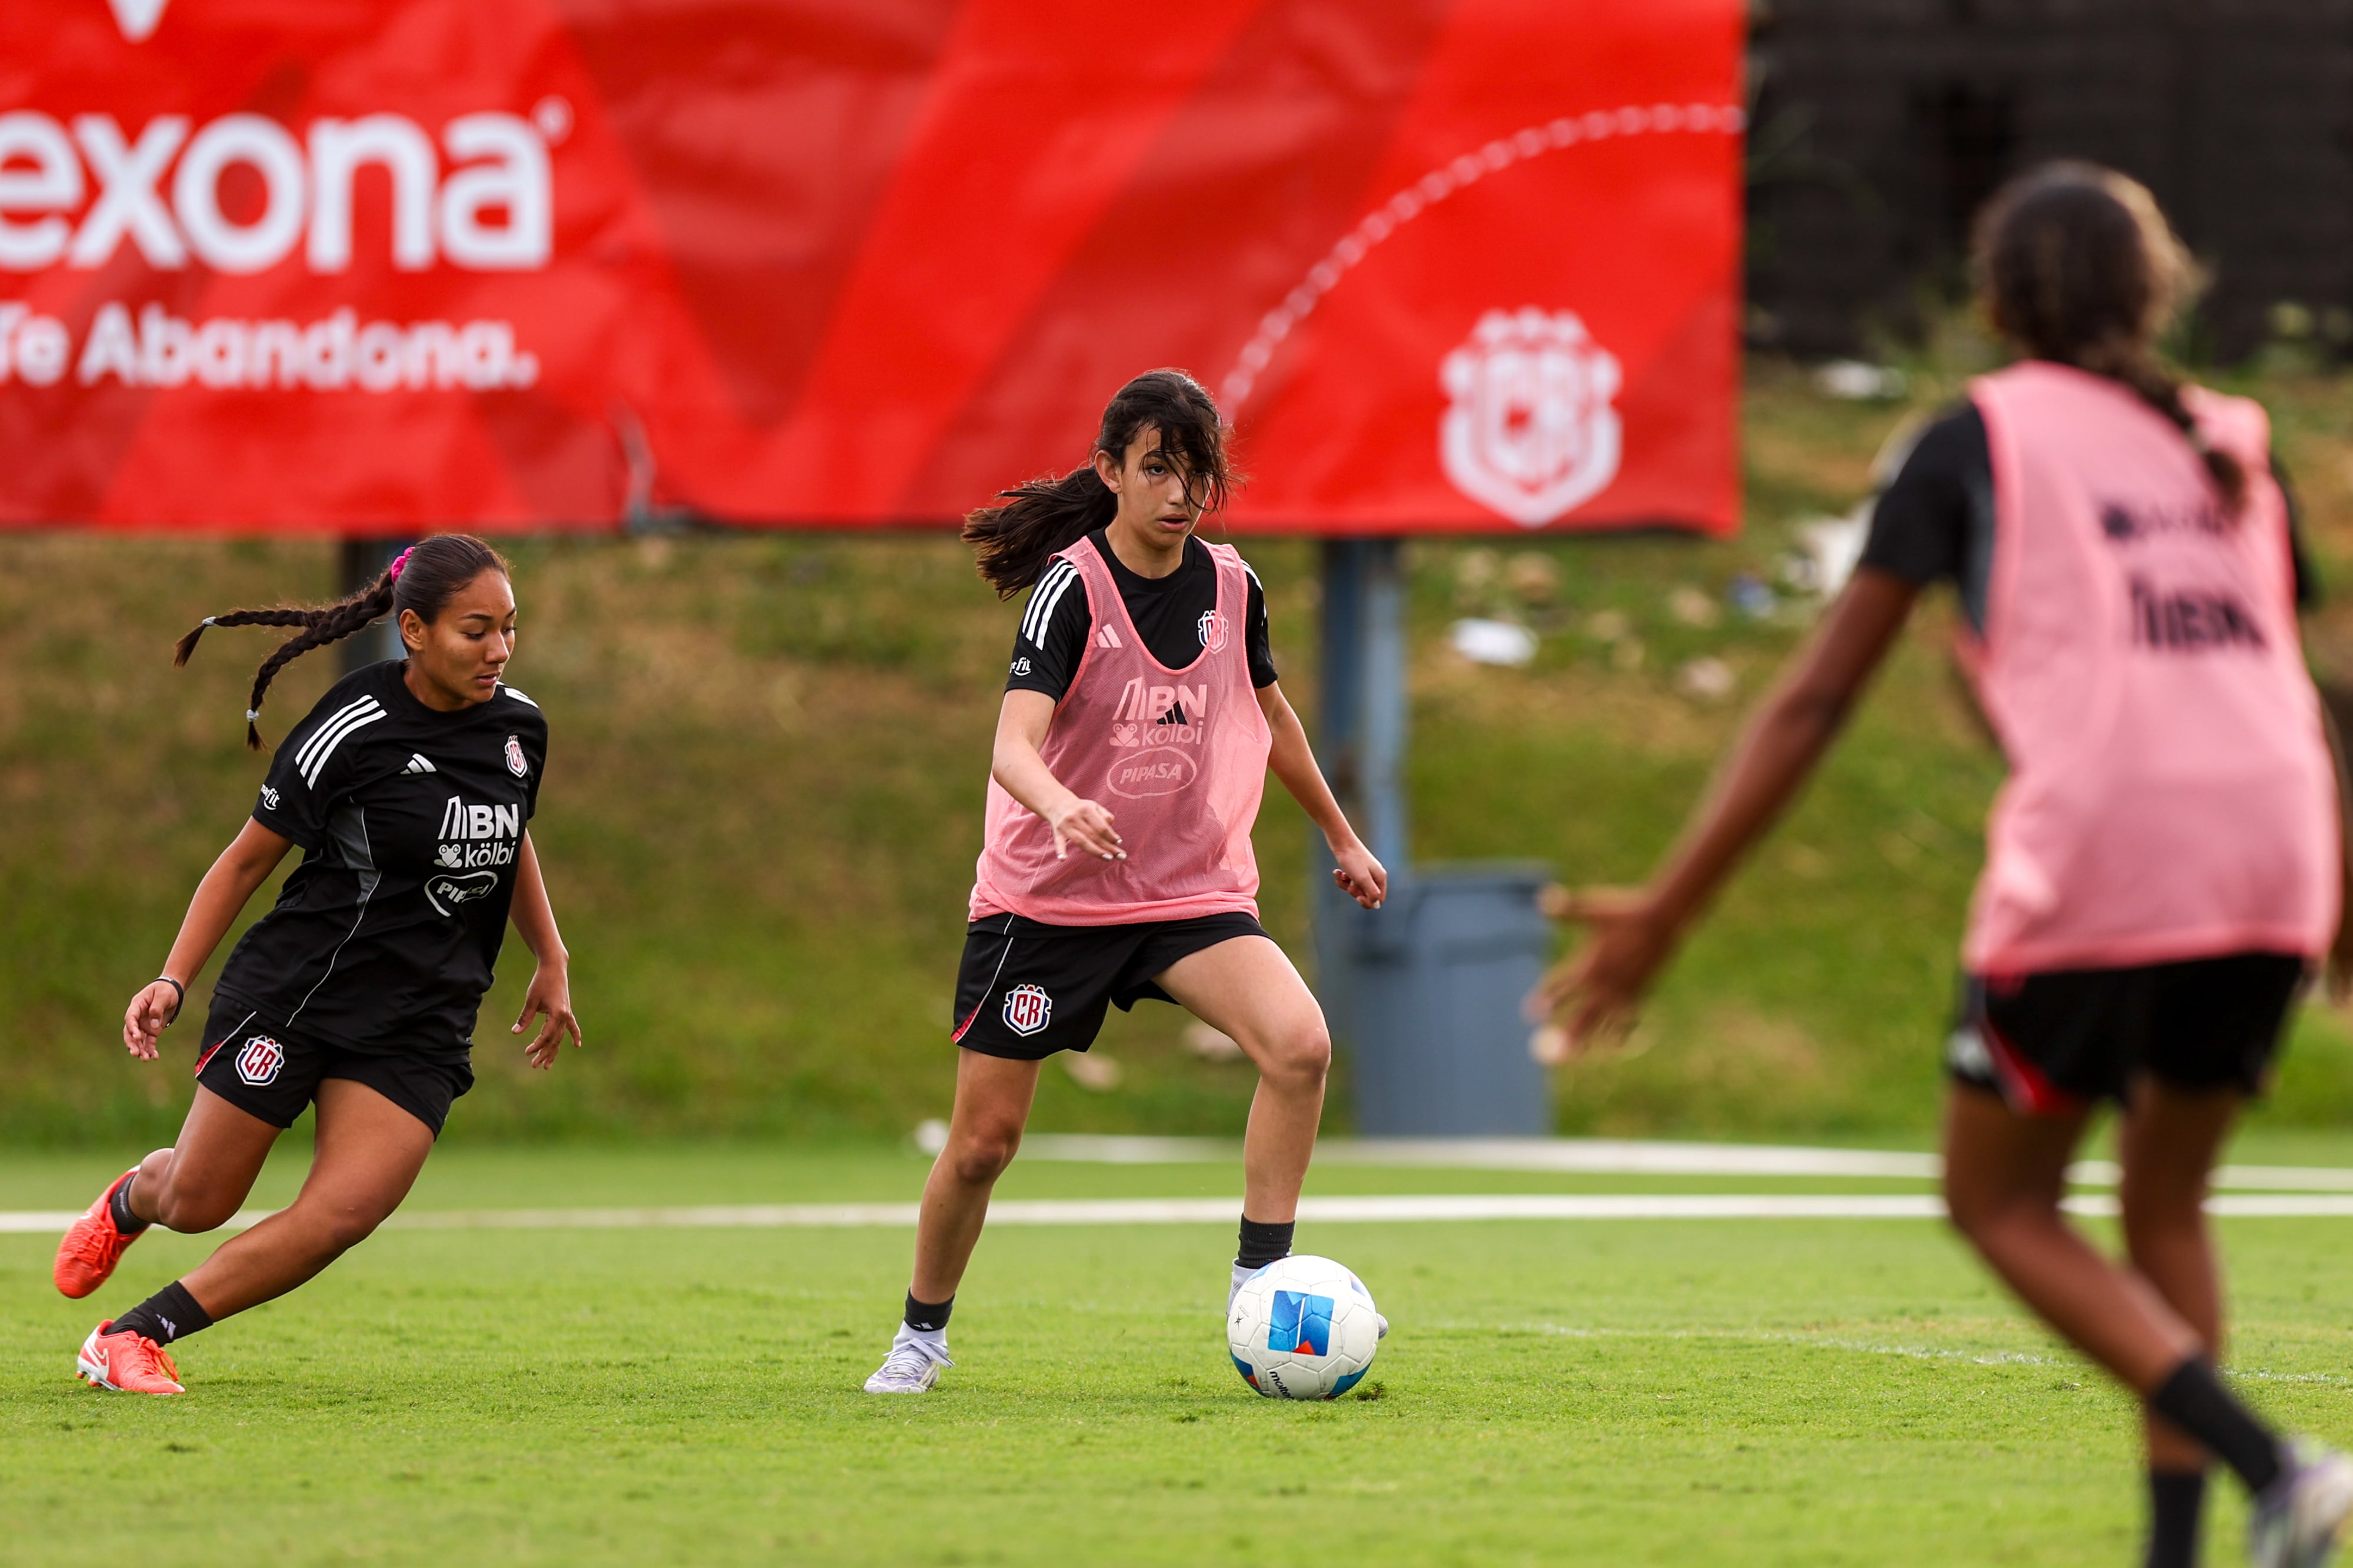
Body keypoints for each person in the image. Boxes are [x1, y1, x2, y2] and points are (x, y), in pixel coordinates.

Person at [1537, 163, 2353, 1568]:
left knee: (1994, 1201)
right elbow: (2289, 678)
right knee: (2164, 1204)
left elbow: (1812, 699)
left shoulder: (1969, 439)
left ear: (1988, 303)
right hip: (2278, 848)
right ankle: (2188, 1547)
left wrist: (1665, 913)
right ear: (2157, 292)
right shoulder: (2234, 434)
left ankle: (2271, 1464)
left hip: (2111, 852)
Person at [862, 369, 1388, 1393]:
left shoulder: (1234, 588)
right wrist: (1060, 806)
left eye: (1195, 472)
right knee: (984, 1143)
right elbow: (1013, 743)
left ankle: (1260, 1292)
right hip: (1047, 903)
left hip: (1186, 892)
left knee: (1301, 1043)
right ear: (1110, 473)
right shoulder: (1073, 587)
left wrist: (1342, 835)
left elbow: (1272, 719)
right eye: (1156, 468)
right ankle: (921, 1335)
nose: (1179, 491)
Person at [54, 533, 581, 1396]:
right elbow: (243, 862)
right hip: (301, 992)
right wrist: (171, 977)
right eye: (475, 631)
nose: (499, 651)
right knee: (198, 1201)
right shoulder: (353, 725)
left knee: (345, 1211)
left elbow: (508, 831)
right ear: (412, 628)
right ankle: (130, 1200)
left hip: (421, 1014)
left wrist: (550, 954)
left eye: (510, 630)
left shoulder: (521, 726)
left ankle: (132, 1335)